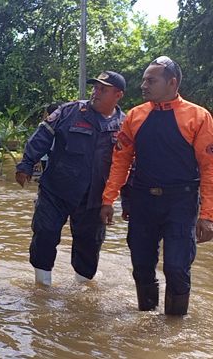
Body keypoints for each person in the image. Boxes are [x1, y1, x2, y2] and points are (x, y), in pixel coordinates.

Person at [100, 56, 213, 315]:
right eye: (143, 80)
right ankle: (147, 324)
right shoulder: (135, 116)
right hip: (143, 201)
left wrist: (207, 216)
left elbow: (209, 169)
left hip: (181, 202)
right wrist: (108, 199)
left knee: (176, 267)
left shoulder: (197, 117)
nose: (143, 85)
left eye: (151, 80)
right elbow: (121, 161)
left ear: (172, 83)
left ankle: (174, 327)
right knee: (141, 265)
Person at [16, 70, 126, 286]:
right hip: (56, 191)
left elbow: (128, 165)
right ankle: (41, 290)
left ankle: (82, 294)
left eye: (103, 89)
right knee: (44, 235)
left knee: (89, 246)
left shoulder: (125, 125)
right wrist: (26, 164)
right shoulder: (69, 111)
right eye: (96, 87)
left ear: (118, 95)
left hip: (94, 198)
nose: (97, 92)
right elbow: (41, 137)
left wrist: (123, 201)